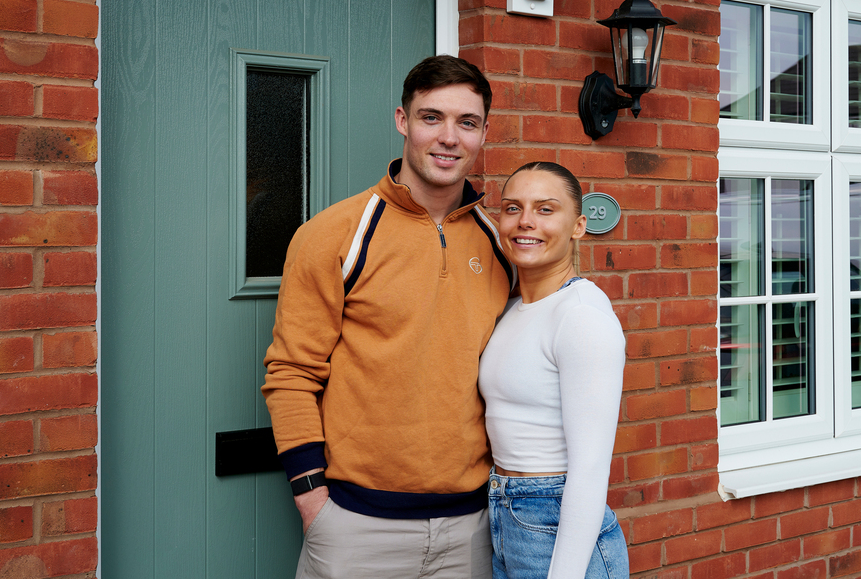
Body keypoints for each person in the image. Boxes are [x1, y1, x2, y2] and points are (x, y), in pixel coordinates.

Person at [263, 55, 514, 579]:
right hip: (356, 527)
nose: (449, 137)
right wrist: (313, 499)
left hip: (472, 528)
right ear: (402, 120)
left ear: (484, 133)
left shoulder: (501, 245)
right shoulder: (333, 235)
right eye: (431, 118)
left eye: (466, 123)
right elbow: (291, 373)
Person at [479, 162, 629, 579]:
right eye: (512, 208)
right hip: (506, 512)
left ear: (578, 226)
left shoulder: (581, 315)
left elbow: (591, 466)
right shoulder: (512, 308)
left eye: (546, 210)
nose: (525, 221)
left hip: (555, 521)